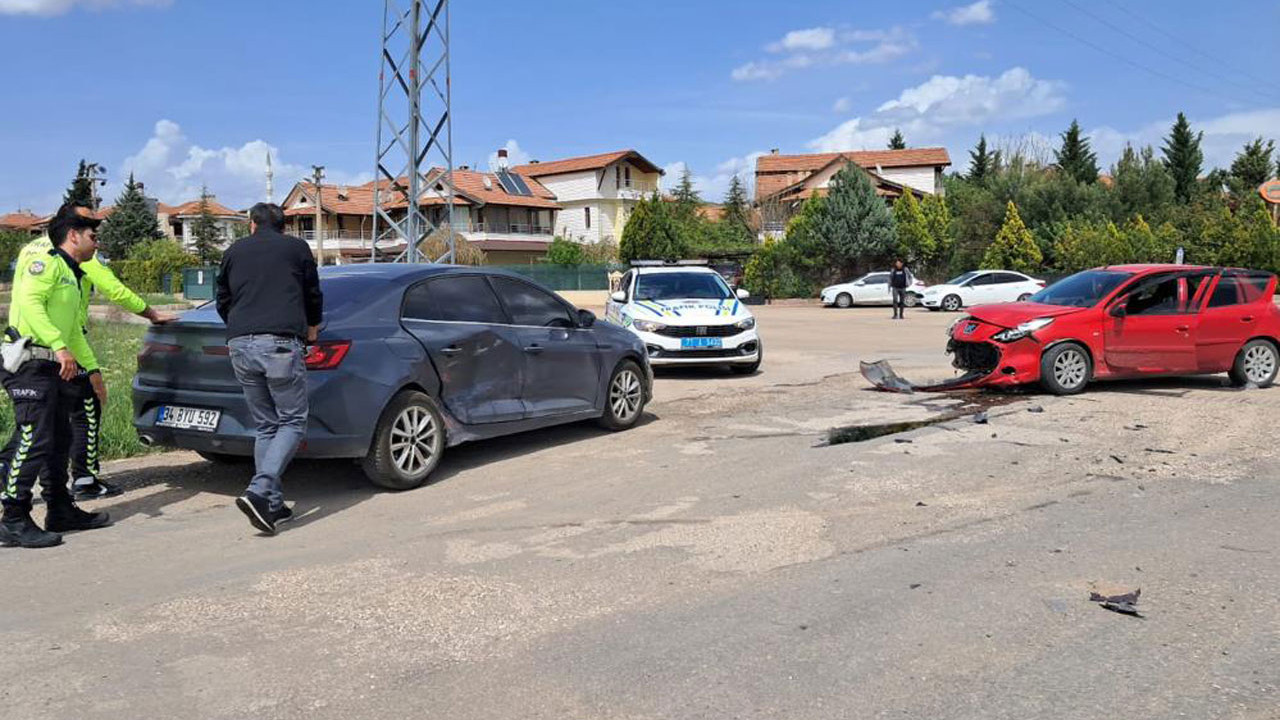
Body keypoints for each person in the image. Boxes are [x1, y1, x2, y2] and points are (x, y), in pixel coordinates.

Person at [14, 203, 177, 501]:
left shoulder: (31, 250)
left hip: (33, 346)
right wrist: (150, 312)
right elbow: (113, 290)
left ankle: (52, 500)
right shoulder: (66, 258)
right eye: (91, 225)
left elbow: (52, 314)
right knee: (81, 409)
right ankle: (82, 480)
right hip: (50, 349)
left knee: (36, 427)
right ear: (73, 231)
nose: (97, 233)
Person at [0, 210, 112, 547]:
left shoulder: (71, 273)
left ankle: (60, 508)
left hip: (55, 367)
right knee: (34, 439)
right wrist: (59, 345)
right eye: (93, 236)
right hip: (30, 364)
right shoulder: (45, 262)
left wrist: (90, 369)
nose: (97, 243)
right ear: (73, 235)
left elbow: (73, 332)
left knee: (59, 439)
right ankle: (14, 518)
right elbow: (30, 303)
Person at [215, 203, 322, 535]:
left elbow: (222, 297)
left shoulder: (233, 251)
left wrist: (240, 327)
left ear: (251, 225)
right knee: (292, 421)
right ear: (283, 227)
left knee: (265, 426)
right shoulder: (296, 248)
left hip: (239, 345)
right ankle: (260, 490)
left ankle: (271, 506)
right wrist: (313, 327)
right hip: (278, 344)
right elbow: (312, 292)